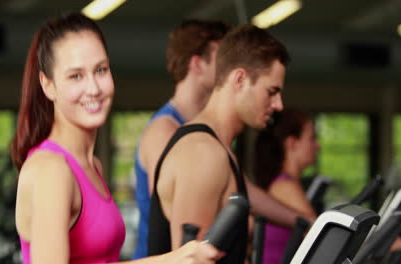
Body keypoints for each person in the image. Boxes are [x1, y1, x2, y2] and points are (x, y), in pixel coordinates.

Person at [11, 12, 221, 264]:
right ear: (48, 85)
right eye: (76, 76)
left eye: (100, 70)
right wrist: (170, 260)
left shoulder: (91, 165)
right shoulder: (51, 169)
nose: (94, 88)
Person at [147, 24, 294, 263]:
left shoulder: (220, 150)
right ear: (240, 79)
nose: (278, 105)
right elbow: (189, 261)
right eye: (271, 91)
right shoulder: (203, 153)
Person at [133, 19, 230, 259]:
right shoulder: (163, 130)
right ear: (197, 63)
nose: (229, 68)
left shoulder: (204, 133)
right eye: (222, 60)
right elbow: (174, 209)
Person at [253, 109, 319, 264]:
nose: (317, 145)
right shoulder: (285, 186)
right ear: (292, 143)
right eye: (311, 139)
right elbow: (321, 239)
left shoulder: (284, 184)